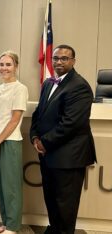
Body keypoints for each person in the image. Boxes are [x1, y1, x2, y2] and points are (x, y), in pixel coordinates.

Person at [30, 44, 96, 234]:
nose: (59, 62)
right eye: (56, 58)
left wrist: (44, 142)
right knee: (51, 199)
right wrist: (34, 137)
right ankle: (54, 229)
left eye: (64, 58)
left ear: (73, 61)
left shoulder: (80, 86)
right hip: (48, 154)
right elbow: (38, 113)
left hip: (69, 156)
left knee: (65, 205)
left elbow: (71, 124)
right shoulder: (49, 83)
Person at [0, 51, 28, 234]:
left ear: (16, 67)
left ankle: (13, 227)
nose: (4, 68)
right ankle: (5, 223)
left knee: (11, 187)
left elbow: (14, 119)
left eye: (8, 64)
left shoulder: (20, 88)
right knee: (0, 186)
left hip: (9, 142)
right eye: (2, 64)